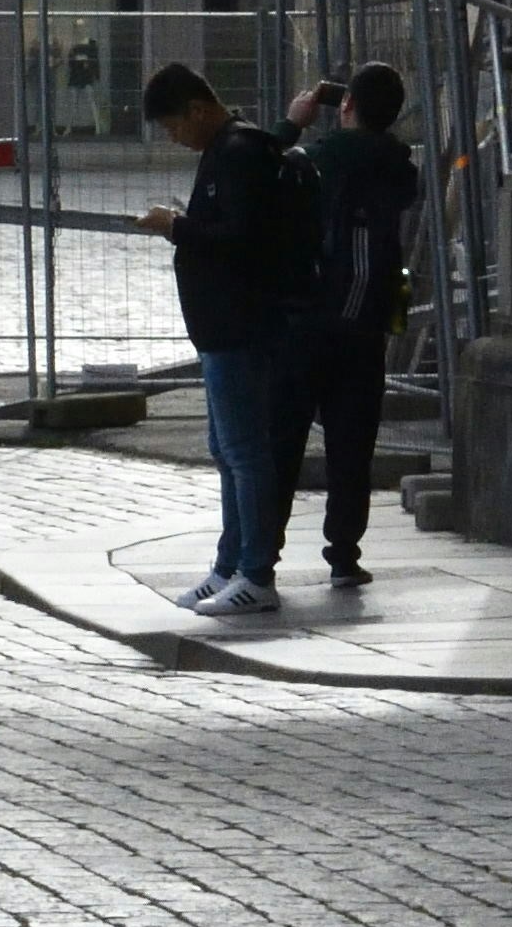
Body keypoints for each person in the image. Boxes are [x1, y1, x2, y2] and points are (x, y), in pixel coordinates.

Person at [138, 57, 316, 622]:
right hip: (223, 328)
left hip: (240, 327)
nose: (174, 138)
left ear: (197, 109)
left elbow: (242, 237)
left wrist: (177, 227)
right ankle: (230, 565)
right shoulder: (230, 151)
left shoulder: (237, 154)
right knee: (229, 451)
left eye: (173, 127)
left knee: (244, 454)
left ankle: (255, 572)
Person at [289, 62, 424, 595]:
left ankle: (260, 557)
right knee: (353, 445)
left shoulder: (321, 159)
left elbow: (275, 177)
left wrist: (295, 123)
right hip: (368, 323)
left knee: (286, 438)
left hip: (314, 318)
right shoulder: (399, 168)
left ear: (345, 107)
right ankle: (344, 553)